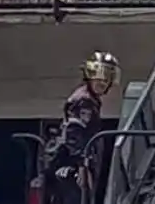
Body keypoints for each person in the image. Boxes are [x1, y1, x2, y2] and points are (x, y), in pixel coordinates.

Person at [43, 51, 121, 204]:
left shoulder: (91, 100)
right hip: (70, 164)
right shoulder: (84, 100)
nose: (102, 81)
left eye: (107, 76)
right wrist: (82, 166)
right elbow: (74, 132)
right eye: (98, 75)